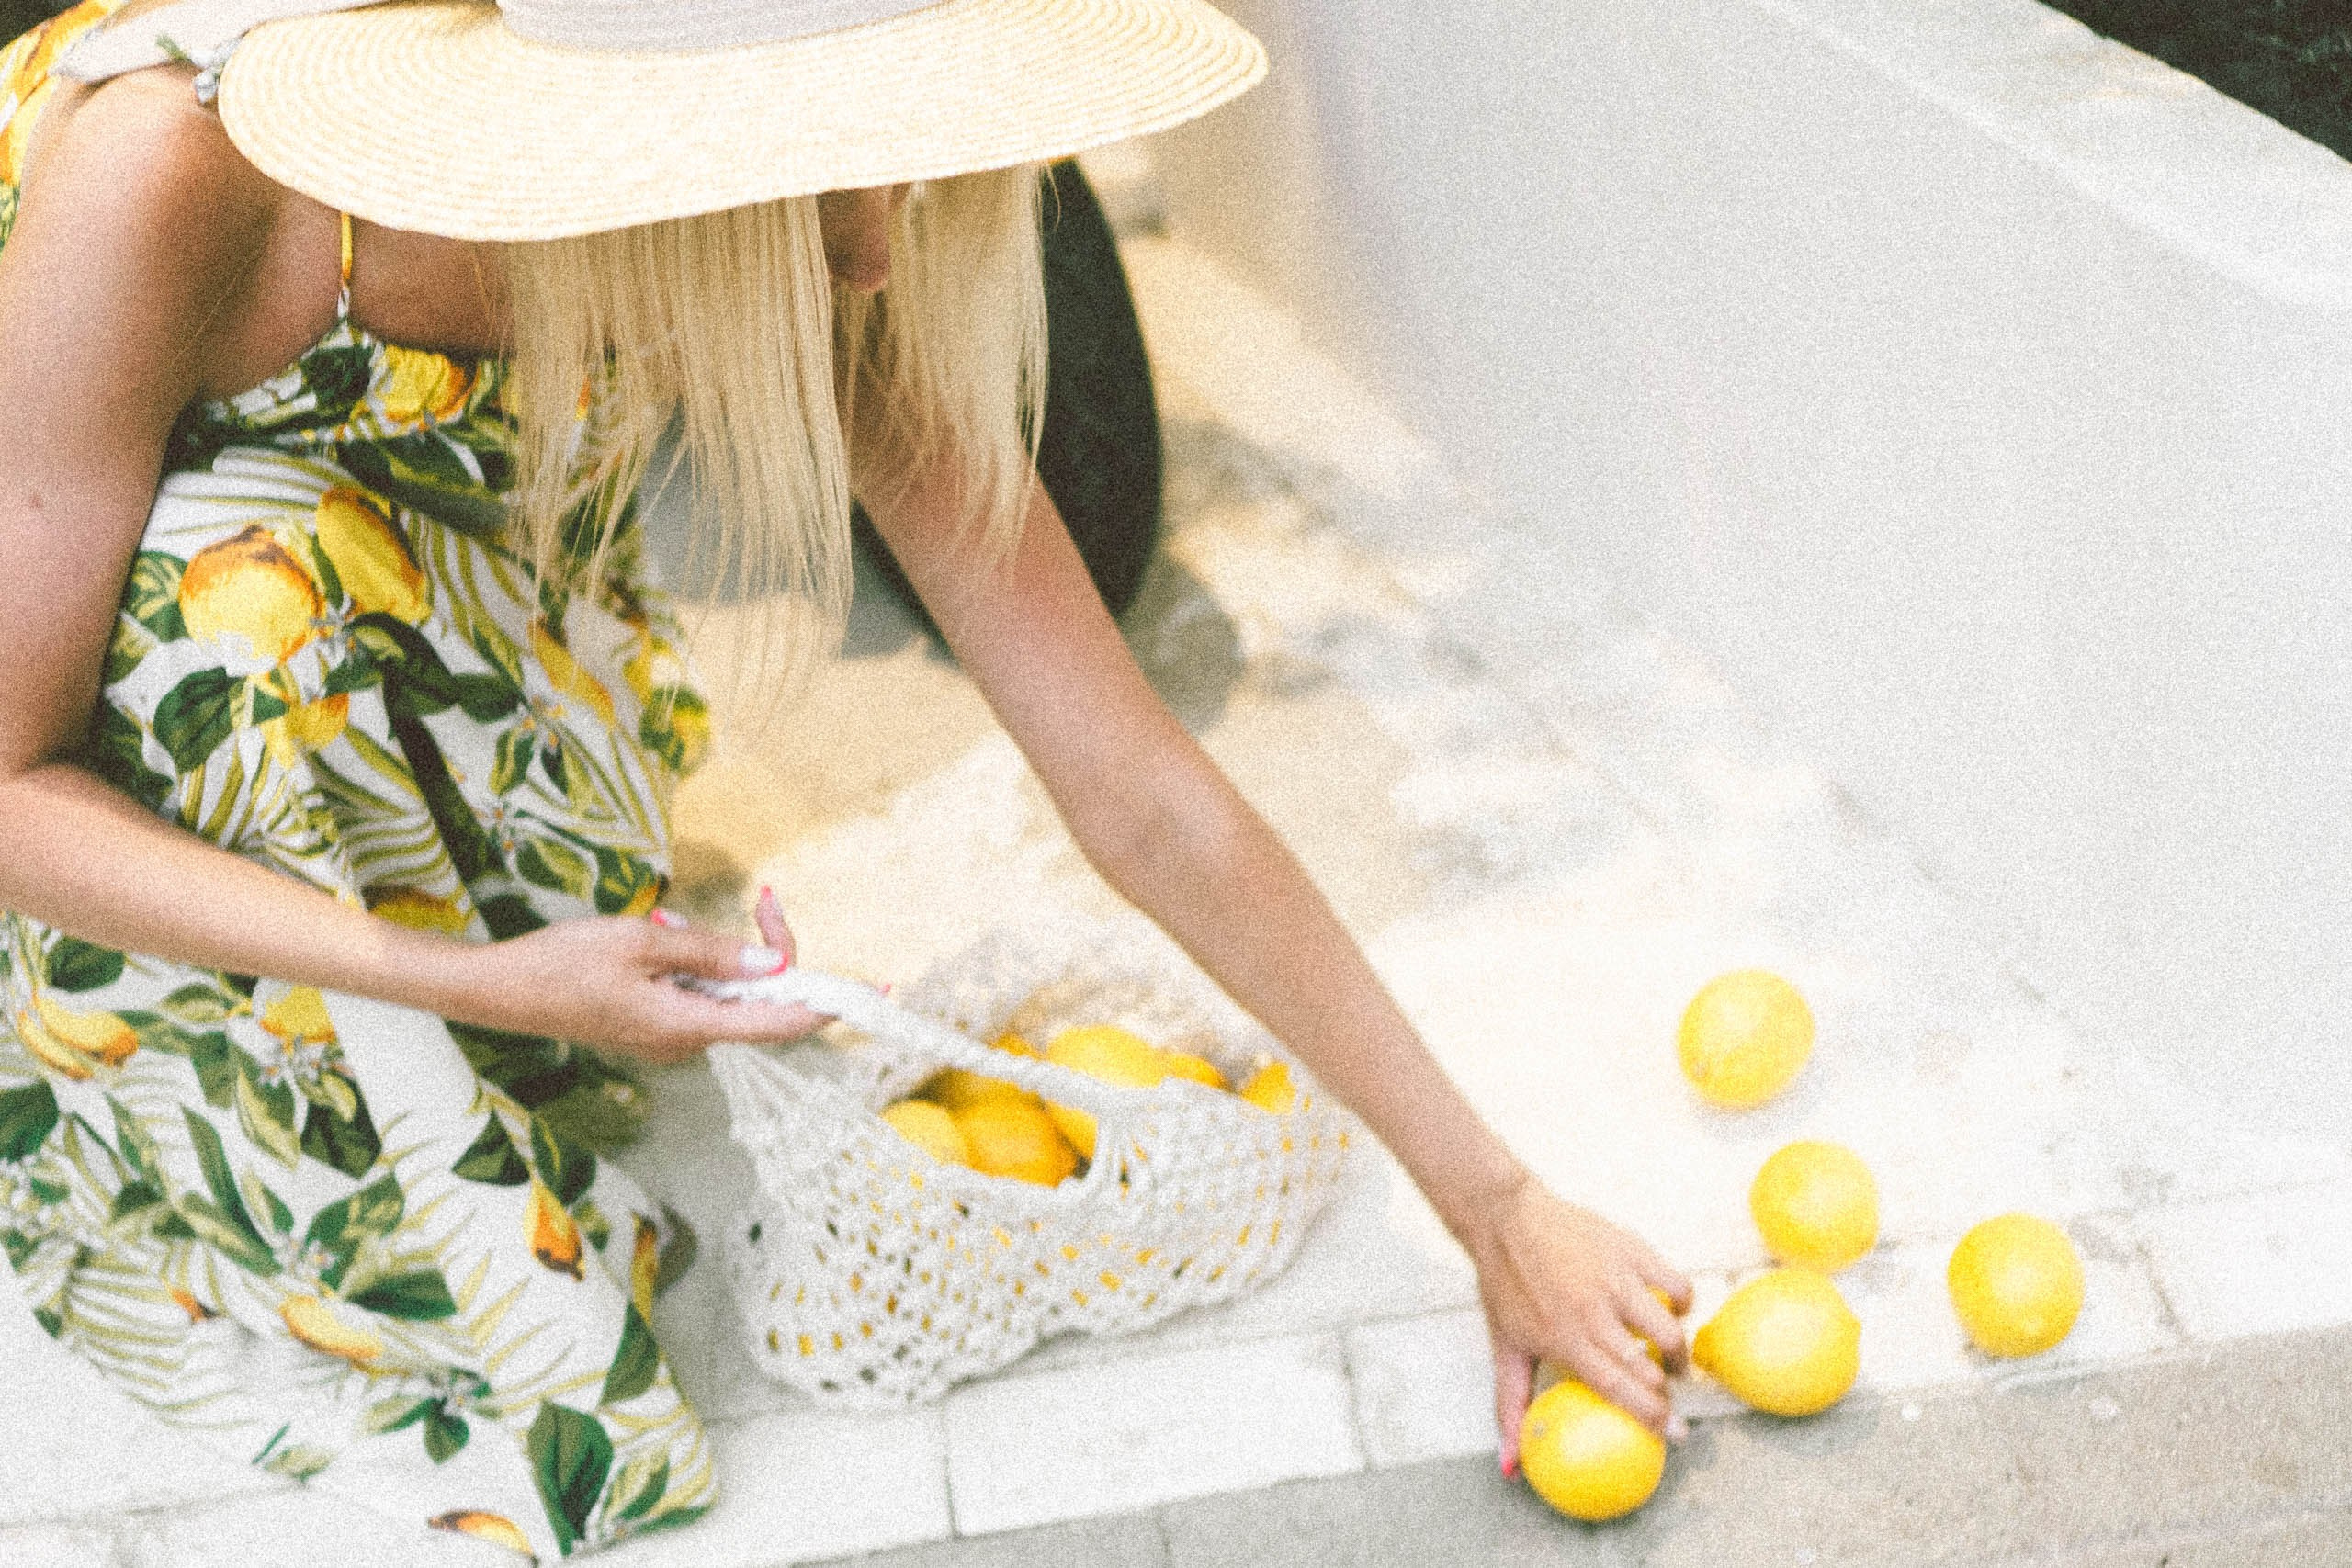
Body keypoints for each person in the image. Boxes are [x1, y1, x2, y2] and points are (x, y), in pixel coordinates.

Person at [0, 0, 1692, 1556]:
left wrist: (1495, 1200)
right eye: (826, 164)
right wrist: (468, 977)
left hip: (420, 564)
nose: (875, 249)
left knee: (1061, 508)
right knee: (230, 618)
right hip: (94, 632)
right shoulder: (174, 169)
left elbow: (1130, 778)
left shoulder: (822, 224)